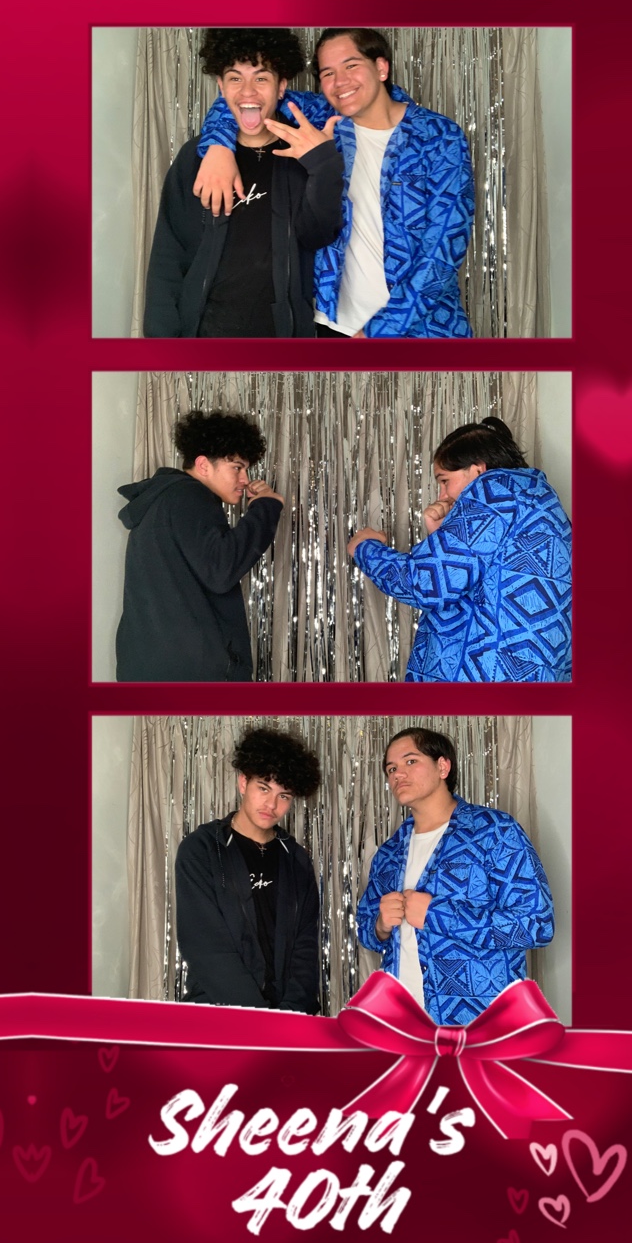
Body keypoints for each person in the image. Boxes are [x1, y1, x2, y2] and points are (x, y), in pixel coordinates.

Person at [191, 27, 474, 338]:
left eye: (351, 65)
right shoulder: (320, 117)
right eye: (328, 73)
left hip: (422, 329)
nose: (340, 82)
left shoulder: (438, 136)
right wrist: (218, 146)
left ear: (381, 68)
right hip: (332, 325)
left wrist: (380, 330)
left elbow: (443, 251)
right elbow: (249, 97)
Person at [143, 29, 344, 337]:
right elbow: (169, 253)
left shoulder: (303, 155)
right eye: (235, 78)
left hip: (283, 331)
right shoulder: (195, 157)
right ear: (221, 86)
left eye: (261, 78)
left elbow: (318, 235)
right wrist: (160, 337)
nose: (248, 91)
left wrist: (323, 165)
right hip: (204, 330)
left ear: (281, 87)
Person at [348, 418, 571, 682]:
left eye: (445, 481)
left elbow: (425, 584)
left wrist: (365, 548)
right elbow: (490, 587)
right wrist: (442, 534)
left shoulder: (492, 492)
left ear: (477, 470)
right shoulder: (539, 498)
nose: (442, 495)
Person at [356, 727, 554, 1025]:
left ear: (443, 767)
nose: (398, 774)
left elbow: (537, 924)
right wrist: (380, 926)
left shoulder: (494, 832)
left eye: (410, 761)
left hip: (481, 1023)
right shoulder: (389, 853)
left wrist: (436, 914)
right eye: (391, 768)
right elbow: (367, 933)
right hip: (403, 1022)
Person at [115, 409, 283, 682]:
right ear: (203, 465)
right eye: (237, 467)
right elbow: (221, 570)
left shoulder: (163, 502)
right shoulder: (189, 496)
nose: (245, 479)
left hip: (149, 668)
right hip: (192, 674)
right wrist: (267, 507)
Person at [175, 728, 322, 1011]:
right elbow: (206, 947)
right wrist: (258, 1018)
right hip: (221, 1012)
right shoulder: (202, 849)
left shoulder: (297, 860)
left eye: (284, 796)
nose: (271, 804)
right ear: (243, 782)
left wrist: (291, 1014)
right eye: (263, 788)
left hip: (286, 1017)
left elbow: (305, 948)